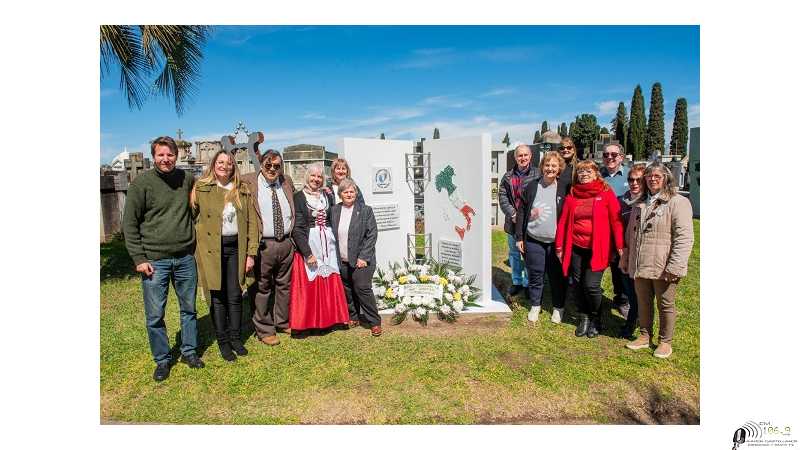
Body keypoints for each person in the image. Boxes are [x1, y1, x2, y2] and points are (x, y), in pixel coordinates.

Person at [122, 136, 204, 382]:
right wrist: (139, 258)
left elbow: (201, 196)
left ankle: (189, 351)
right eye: (161, 155)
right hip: (154, 261)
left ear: (176, 156)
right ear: (154, 156)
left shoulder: (186, 179)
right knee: (155, 314)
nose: (166, 159)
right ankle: (162, 359)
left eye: (170, 155)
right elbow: (130, 224)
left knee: (188, 309)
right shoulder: (141, 184)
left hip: (184, 258)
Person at [190, 150, 259, 362]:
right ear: (213, 164)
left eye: (229, 163)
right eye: (220, 162)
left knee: (235, 294)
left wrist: (251, 253)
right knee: (218, 297)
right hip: (211, 250)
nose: (224, 166)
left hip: (235, 248)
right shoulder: (201, 188)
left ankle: (236, 338)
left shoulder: (242, 189)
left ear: (233, 166)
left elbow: (251, 223)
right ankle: (222, 341)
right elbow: (192, 218)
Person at [621, 162, 694, 359]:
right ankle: (644, 335)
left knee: (665, 304)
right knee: (643, 302)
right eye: (649, 176)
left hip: (663, 264)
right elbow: (630, 234)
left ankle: (665, 341)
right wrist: (626, 257)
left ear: (666, 179)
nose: (652, 179)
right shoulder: (639, 202)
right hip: (640, 262)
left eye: (657, 176)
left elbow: (684, 237)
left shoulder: (677, 202)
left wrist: (676, 265)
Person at [554, 159, 624, 338]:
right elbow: (563, 222)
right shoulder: (573, 194)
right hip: (576, 247)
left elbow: (616, 221)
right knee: (577, 284)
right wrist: (560, 246)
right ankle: (584, 316)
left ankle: (596, 318)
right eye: (581, 172)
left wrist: (620, 246)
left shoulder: (605, 193)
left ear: (596, 174)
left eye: (588, 171)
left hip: (598, 248)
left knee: (591, 286)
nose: (584, 174)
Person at [241, 149, 304, 346]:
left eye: (277, 166)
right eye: (268, 165)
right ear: (261, 164)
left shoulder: (286, 182)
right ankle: (264, 328)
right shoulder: (249, 182)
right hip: (263, 244)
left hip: (285, 242)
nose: (272, 169)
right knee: (262, 288)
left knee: (284, 286)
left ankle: (281, 321)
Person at [290, 163, 350, 332]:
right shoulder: (299, 197)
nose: (316, 179)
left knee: (329, 278)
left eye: (319, 177)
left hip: (328, 244)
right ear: (307, 177)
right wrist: (307, 253)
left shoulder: (327, 195)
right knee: (313, 281)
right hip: (310, 243)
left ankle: (332, 319)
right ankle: (310, 322)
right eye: (313, 176)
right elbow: (298, 228)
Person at [515, 151, 568, 323]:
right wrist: (519, 237)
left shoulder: (564, 188)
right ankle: (535, 305)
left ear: (559, 168)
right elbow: (522, 211)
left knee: (556, 276)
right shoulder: (531, 186)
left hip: (556, 243)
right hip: (533, 239)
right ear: (542, 167)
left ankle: (558, 308)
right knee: (535, 274)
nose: (550, 169)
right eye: (547, 165)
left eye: (554, 166)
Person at [331, 179, 381, 336]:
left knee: (362, 288)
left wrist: (363, 257)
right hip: (342, 260)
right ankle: (353, 316)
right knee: (347, 289)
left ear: (356, 193)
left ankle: (374, 321)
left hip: (362, 259)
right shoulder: (334, 210)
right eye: (345, 192)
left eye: (351, 191)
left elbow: (372, 234)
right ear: (340, 194)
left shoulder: (366, 210)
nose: (349, 194)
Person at [498, 144, 541, 298]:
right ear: (515, 158)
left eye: (525, 155)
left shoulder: (538, 174)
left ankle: (528, 283)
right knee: (514, 253)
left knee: (529, 254)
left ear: (530, 156)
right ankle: (516, 281)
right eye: (519, 155)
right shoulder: (508, 176)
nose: (522, 158)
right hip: (513, 221)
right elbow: (502, 197)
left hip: (531, 222)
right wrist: (513, 213)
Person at [600, 142, 632, 319]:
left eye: (614, 154)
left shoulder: (631, 176)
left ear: (621, 156)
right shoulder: (597, 175)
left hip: (624, 230)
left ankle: (623, 300)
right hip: (602, 231)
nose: (610, 157)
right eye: (606, 155)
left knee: (621, 268)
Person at [617, 163, 646, 339]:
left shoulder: (648, 202)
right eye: (631, 179)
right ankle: (634, 319)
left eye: (638, 180)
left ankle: (632, 324)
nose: (634, 183)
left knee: (638, 293)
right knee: (629, 289)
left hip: (642, 252)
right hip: (624, 250)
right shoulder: (623, 200)